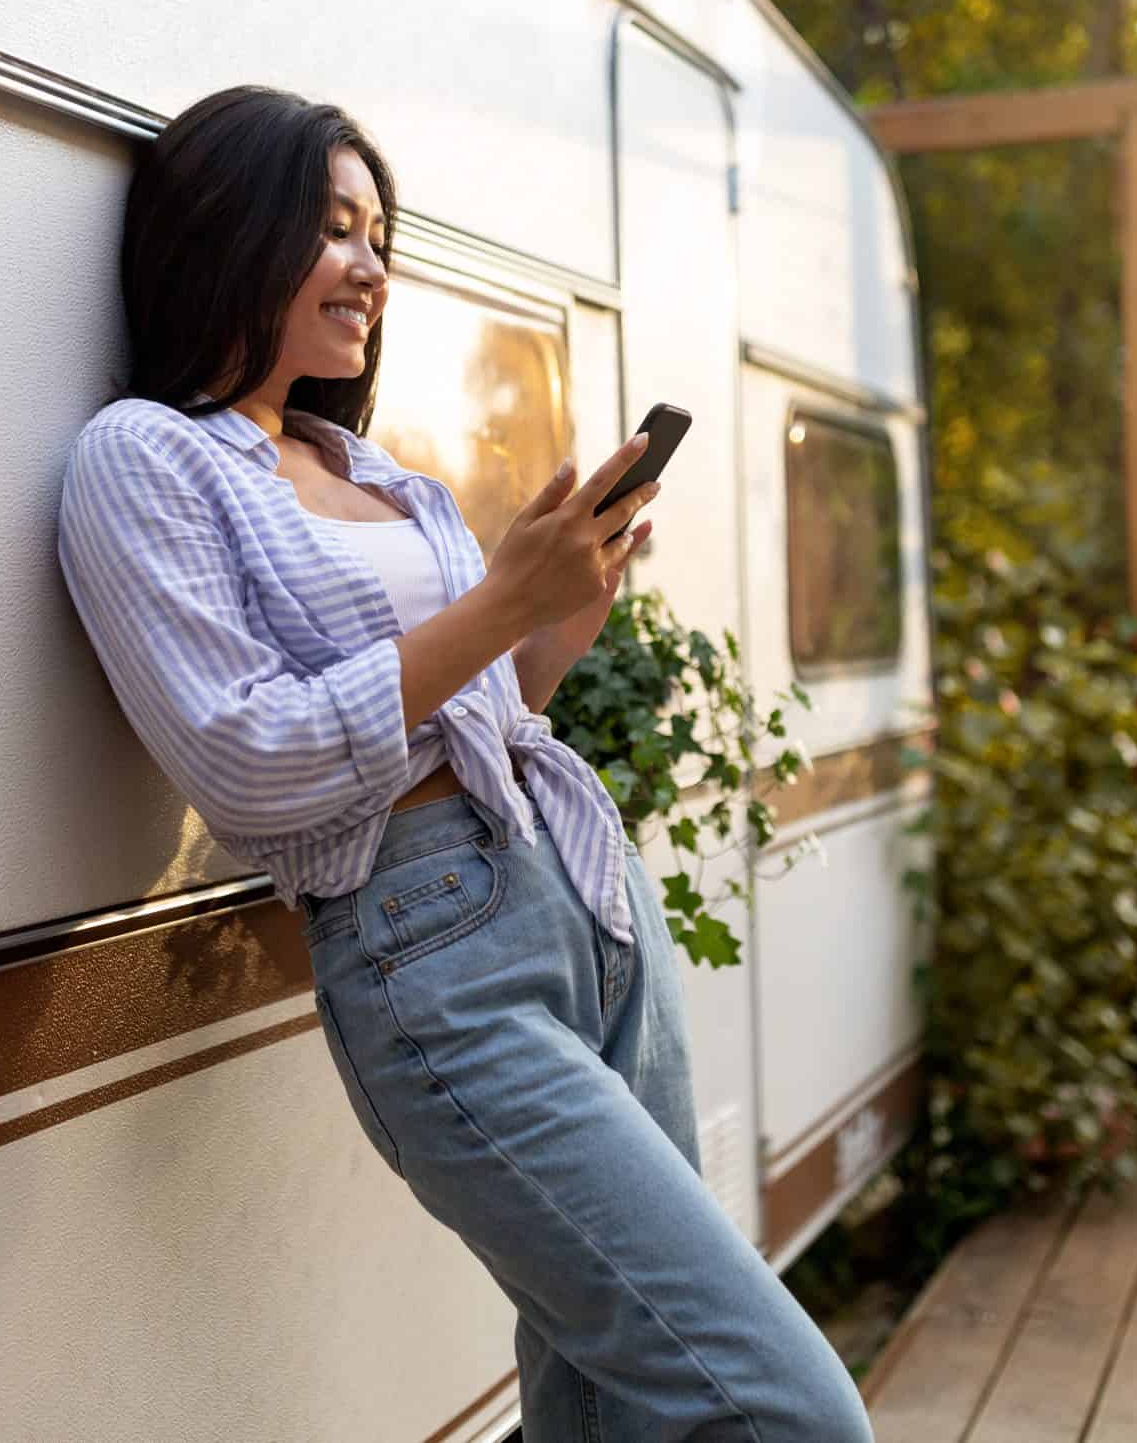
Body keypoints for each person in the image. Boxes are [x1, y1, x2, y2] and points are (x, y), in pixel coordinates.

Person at [56, 86, 874, 1442]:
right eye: (333, 229)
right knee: (785, 1413)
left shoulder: (369, 469)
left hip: (582, 897)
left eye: (380, 235)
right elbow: (252, 767)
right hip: (429, 952)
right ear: (228, 232)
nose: (373, 266)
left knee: (611, 1401)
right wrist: (498, 603)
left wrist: (558, 621)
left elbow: (480, 711)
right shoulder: (140, 460)